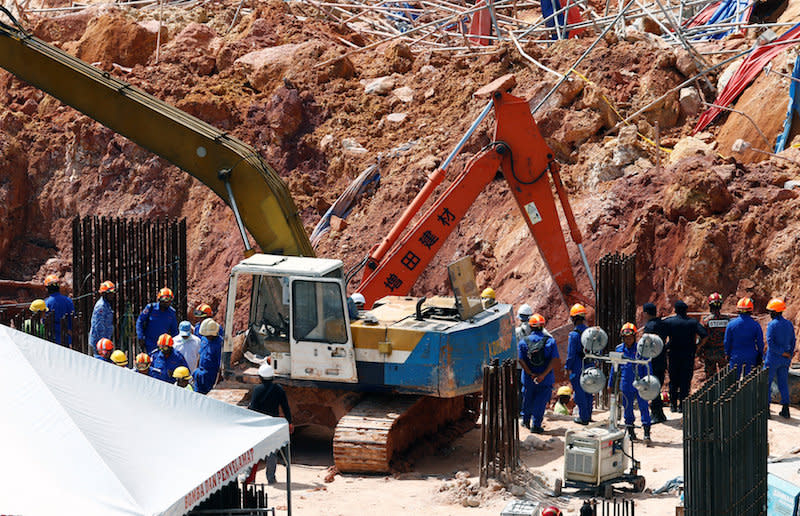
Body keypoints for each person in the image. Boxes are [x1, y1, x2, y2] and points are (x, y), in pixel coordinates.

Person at [248, 362, 293, 484]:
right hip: (273, 425)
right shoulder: (279, 390)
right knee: (272, 452)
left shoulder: (257, 390)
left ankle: (250, 478)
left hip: (260, 425)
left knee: (255, 453)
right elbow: (285, 407)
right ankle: (271, 478)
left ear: (260, 377)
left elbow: (253, 409)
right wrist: (289, 422)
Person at [609, 323, 651, 442]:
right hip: (626, 384)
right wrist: (611, 384)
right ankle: (631, 432)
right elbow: (614, 369)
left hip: (641, 384)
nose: (628, 340)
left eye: (630, 337)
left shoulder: (641, 350)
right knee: (627, 408)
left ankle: (647, 433)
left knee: (644, 407)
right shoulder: (619, 350)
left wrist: (649, 382)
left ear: (635, 336)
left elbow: (648, 366)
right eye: (626, 338)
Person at [518, 313, 560, 434]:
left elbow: (521, 360)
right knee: (540, 402)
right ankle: (536, 425)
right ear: (542, 327)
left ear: (530, 327)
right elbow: (554, 360)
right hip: (545, 378)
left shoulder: (523, 342)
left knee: (527, 399)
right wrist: (543, 375)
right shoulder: (550, 341)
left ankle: (525, 420)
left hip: (528, 378)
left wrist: (530, 373)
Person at [663, 300, 707, 412]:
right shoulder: (692, 322)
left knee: (673, 380)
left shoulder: (669, 322)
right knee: (685, 381)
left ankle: (673, 405)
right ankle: (682, 406)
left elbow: (661, 336)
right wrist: (697, 346)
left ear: (675, 310)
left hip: (673, 355)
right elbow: (705, 336)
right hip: (688, 355)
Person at [765, 298, 795, 419]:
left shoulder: (772, 325)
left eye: (771, 311)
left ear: (775, 312)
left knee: (767, 383)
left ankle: (766, 409)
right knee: (783, 383)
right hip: (785, 360)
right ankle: (785, 409)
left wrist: (782, 353)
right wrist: (789, 354)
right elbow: (793, 341)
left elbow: (771, 344)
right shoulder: (789, 324)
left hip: (773, 358)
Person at [565, 303, 592, 425]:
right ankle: (588, 415)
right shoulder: (590, 333)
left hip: (578, 367)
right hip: (589, 366)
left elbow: (571, 354)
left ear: (573, 318)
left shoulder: (574, 335)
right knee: (588, 391)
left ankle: (584, 417)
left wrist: (567, 367)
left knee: (579, 393)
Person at [642, 302, 669, 423]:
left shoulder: (649, 327)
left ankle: (656, 414)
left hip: (652, 360)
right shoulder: (663, 324)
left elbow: (646, 345)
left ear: (646, 313)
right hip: (662, 359)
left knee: (653, 388)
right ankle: (660, 414)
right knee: (658, 385)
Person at [724, 297, 764, 377]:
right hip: (751, 356)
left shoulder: (731, 324)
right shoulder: (756, 325)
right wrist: (760, 355)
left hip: (735, 356)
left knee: (734, 382)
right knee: (749, 382)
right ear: (751, 309)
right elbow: (760, 342)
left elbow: (727, 341)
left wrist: (727, 353)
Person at [136, 288, 179, 354]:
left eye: (169, 300)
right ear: (159, 299)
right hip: (149, 344)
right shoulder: (150, 308)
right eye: (164, 299)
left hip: (163, 346)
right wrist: (140, 336)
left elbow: (174, 330)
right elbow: (140, 321)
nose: (166, 302)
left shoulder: (172, 312)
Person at [699, 292, 731, 378]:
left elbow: (702, 337)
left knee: (710, 379)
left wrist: (699, 351)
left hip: (709, 353)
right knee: (725, 377)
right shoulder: (727, 320)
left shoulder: (706, 321)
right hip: (723, 353)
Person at [193, 318, 223, 394]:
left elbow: (220, 367)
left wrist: (216, 385)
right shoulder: (204, 339)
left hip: (210, 377)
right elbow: (200, 355)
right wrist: (196, 370)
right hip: (199, 374)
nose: (206, 337)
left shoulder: (220, 345)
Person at [43, 274, 74, 347]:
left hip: (53, 338)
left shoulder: (46, 303)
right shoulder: (68, 301)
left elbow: (44, 321)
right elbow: (72, 317)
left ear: (48, 288)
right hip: (67, 337)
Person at [89, 281, 116, 355]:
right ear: (104, 294)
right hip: (99, 343)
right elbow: (98, 326)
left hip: (104, 341)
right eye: (110, 293)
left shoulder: (107, 305)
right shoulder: (101, 306)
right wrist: (102, 344)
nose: (112, 295)